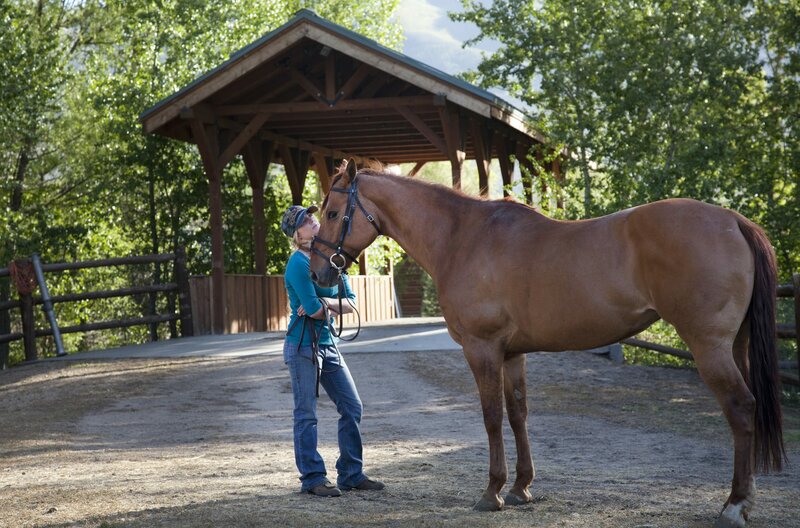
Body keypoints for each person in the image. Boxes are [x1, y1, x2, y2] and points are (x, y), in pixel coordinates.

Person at [280, 204, 385, 497]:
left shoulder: (333, 259)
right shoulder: (297, 264)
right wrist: (323, 306)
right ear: (296, 233)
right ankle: (312, 478)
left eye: (313, 217)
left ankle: (351, 474)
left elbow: (350, 303)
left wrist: (324, 306)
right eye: (306, 221)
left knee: (352, 406)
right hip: (302, 346)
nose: (314, 222)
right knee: (306, 414)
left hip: (328, 345)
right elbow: (311, 309)